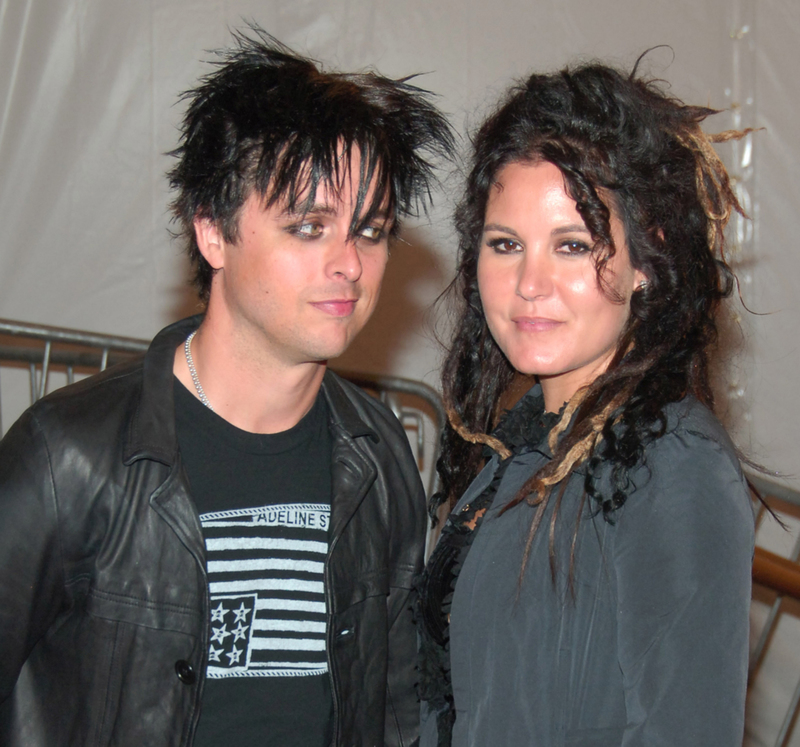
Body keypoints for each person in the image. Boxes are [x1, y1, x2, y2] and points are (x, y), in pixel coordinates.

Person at [0, 27, 453, 747]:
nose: (350, 264)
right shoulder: (69, 458)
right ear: (212, 230)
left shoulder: (380, 458)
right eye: (309, 227)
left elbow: (397, 710)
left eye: (370, 231)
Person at [417, 59, 755, 746]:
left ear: (645, 264)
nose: (530, 282)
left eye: (573, 246)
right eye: (505, 244)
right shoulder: (522, 445)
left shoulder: (673, 462)